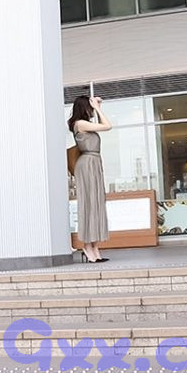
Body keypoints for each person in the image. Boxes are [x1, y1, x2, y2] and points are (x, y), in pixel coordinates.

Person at [67, 95, 112, 263]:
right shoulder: (80, 124)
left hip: (94, 162)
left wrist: (99, 107)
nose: (92, 110)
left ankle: (94, 246)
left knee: (96, 204)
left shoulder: (86, 124)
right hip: (87, 164)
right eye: (90, 106)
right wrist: (98, 108)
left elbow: (102, 124)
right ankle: (87, 246)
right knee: (89, 204)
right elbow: (107, 126)